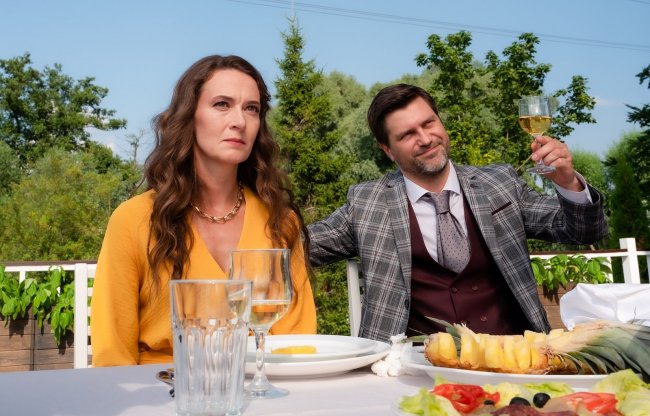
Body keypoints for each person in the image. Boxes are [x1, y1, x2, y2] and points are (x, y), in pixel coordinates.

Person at [308, 84, 607, 343]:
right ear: (388, 150)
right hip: (414, 368)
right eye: (408, 134)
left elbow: (584, 232)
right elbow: (300, 246)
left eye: (429, 123)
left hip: (514, 358)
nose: (425, 139)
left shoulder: (499, 184)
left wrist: (568, 183)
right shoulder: (367, 203)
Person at [91, 55, 317, 366]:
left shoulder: (280, 220)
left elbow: (297, 344)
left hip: (260, 386)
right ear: (189, 116)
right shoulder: (134, 220)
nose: (239, 121)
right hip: (159, 388)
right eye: (222, 104)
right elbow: (112, 353)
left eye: (251, 108)